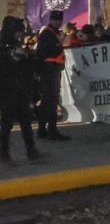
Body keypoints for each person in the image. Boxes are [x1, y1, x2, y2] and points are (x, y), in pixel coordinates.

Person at [0, 16, 41, 163]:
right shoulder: (3, 46)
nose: (19, 35)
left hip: (21, 89)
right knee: (7, 123)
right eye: (18, 32)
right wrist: (13, 57)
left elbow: (26, 65)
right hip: (7, 90)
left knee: (25, 121)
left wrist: (28, 57)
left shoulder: (15, 44)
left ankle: (32, 151)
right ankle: (4, 154)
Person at [34, 10, 69, 140]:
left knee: (46, 102)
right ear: (51, 20)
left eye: (59, 20)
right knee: (51, 101)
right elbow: (44, 53)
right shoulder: (47, 34)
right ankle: (52, 131)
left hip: (53, 71)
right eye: (56, 19)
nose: (58, 22)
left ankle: (42, 130)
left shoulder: (53, 33)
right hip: (49, 71)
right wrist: (58, 46)